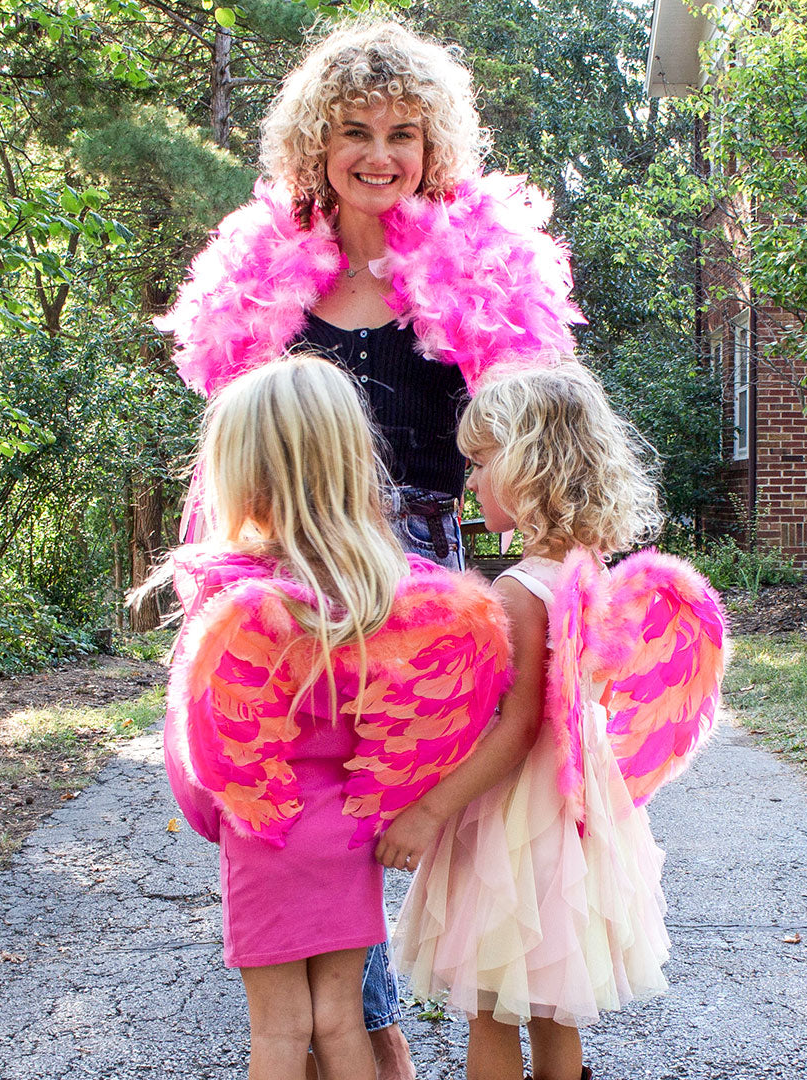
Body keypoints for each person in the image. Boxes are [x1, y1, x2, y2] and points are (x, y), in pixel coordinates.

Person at [155, 19, 583, 1072]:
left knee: (435, 810)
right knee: (313, 809)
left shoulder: (478, 272)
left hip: (426, 573)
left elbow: (532, 434)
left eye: (404, 132)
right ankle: (364, 1037)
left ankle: (487, 1018)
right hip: (294, 573)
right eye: (355, 130)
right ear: (317, 143)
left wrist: (542, 562)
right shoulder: (267, 279)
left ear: (436, 147)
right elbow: (235, 453)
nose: (380, 154)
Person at [158, 354, 511, 1080]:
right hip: (352, 831)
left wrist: (220, 819)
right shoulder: (393, 598)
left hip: (266, 832)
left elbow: (202, 760)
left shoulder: (239, 611)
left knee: (282, 1034)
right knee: (341, 1020)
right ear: (354, 460)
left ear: (241, 474)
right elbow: (425, 724)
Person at [375, 365, 727, 1080]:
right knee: (549, 1004)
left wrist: (429, 808)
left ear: (530, 464)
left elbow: (518, 725)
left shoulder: (517, 588)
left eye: (479, 463)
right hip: (570, 814)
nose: (468, 481)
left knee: (492, 1006)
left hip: (512, 817)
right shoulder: (586, 565)